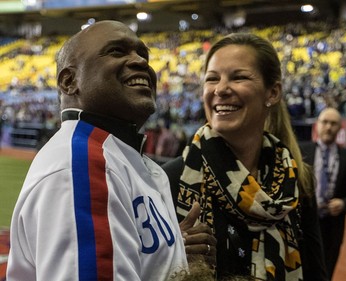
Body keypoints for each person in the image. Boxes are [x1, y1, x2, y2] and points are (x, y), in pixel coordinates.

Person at [6, 20, 216, 281]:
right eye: (117, 51)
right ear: (70, 81)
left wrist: (172, 254)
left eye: (143, 54)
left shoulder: (117, 155)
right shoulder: (82, 166)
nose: (141, 61)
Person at [163, 33, 328, 280]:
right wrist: (169, 255)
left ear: (272, 93)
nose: (220, 89)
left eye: (238, 77)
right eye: (212, 79)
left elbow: (316, 272)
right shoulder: (169, 179)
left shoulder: (296, 181)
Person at [299, 107, 346, 280]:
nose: (328, 127)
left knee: (326, 272)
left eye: (333, 123)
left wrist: (344, 203)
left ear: (340, 128)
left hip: (333, 226)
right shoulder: (301, 151)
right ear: (317, 125)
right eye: (325, 122)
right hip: (303, 223)